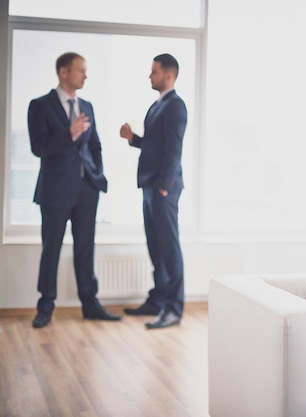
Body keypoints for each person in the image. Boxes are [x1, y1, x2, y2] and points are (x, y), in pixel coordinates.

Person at [28, 52, 121, 328]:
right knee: (51, 249)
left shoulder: (87, 106)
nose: (85, 75)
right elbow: (38, 148)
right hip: (55, 191)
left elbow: (95, 145)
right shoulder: (40, 106)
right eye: (81, 70)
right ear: (64, 72)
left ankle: (90, 304)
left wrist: (97, 173)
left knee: (85, 249)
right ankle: (45, 306)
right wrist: (69, 133)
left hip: (87, 190)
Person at [119, 53, 187, 330]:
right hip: (150, 186)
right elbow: (155, 145)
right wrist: (133, 139)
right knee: (156, 247)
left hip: (163, 189)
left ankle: (173, 308)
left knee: (169, 249)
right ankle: (158, 299)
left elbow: (174, 149)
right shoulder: (156, 105)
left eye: (154, 71)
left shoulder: (176, 106)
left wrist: (163, 186)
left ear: (168, 75)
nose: (150, 76)